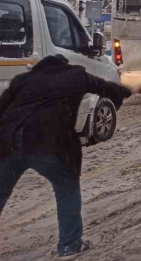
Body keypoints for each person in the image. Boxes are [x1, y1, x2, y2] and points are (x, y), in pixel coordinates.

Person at [0, 55, 131, 259]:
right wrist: (125, 92)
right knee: (67, 189)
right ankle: (70, 244)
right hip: (49, 143)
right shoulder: (74, 76)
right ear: (63, 66)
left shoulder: (23, 80)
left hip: (10, 143)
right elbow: (105, 87)